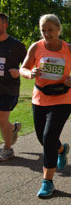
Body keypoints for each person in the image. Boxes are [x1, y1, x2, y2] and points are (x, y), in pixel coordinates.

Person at [20, 14, 71, 198]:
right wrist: (30, 73)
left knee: (49, 137)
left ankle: (47, 181)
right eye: (43, 30)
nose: (47, 34)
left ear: (59, 29)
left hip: (62, 98)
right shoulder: (36, 47)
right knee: (43, 139)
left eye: (50, 30)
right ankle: (61, 149)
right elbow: (22, 68)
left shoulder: (69, 49)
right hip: (40, 97)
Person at [0, 13, 27, 161]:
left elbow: (29, 64)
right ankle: (13, 128)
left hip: (8, 88)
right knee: (2, 121)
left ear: (5, 25)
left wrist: (19, 71)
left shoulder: (16, 45)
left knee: (2, 119)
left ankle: (8, 149)